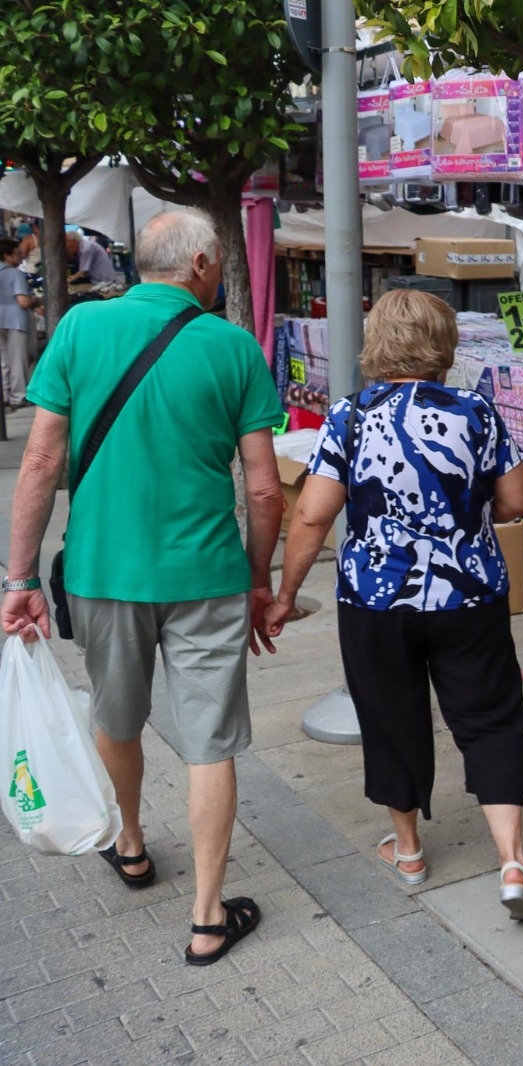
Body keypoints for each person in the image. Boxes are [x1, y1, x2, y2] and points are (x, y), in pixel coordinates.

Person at [2, 209, 285, 966]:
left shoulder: (79, 331)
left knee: (115, 717)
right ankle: (205, 918)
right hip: (207, 576)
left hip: (103, 571)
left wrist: (19, 577)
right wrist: (260, 582)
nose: (218, 275)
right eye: (217, 264)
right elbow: (263, 491)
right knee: (209, 742)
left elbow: (38, 464)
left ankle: (129, 843)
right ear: (197, 265)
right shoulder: (234, 348)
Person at [264, 289, 523, 921]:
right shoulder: (477, 412)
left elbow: (311, 515)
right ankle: (511, 861)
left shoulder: (349, 417)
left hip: (375, 599)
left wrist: (285, 594)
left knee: (391, 717)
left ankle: (411, 850)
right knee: (492, 717)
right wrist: (470, 518)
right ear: (444, 345)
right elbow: (517, 502)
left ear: (376, 343)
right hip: (468, 594)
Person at [0, 237, 40, 407]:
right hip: (16, 320)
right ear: (6, 255)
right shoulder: (14, 274)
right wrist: (36, 300)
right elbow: (23, 301)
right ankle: (18, 396)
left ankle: (5, 396)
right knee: (18, 360)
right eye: (17, 254)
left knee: (3, 362)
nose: (21, 258)